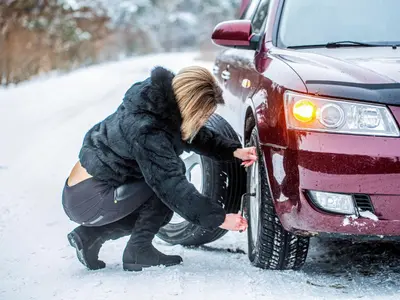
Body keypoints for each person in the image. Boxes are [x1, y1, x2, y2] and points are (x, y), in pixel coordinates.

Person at [62, 66, 257, 272]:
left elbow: (189, 134)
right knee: (164, 189)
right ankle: (139, 251)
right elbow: (173, 187)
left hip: (83, 191)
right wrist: (221, 219)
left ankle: (89, 237)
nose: (202, 121)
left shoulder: (156, 102)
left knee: (161, 199)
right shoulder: (147, 130)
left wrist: (234, 151)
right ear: (190, 107)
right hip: (90, 198)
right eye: (202, 116)